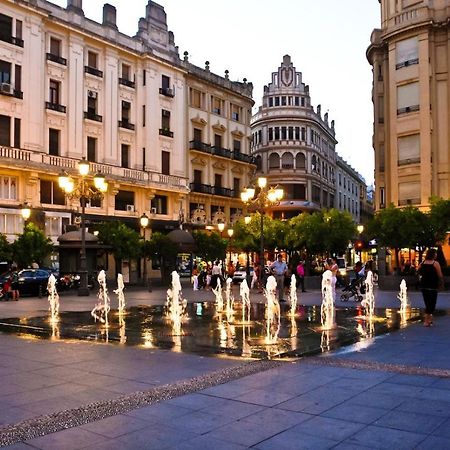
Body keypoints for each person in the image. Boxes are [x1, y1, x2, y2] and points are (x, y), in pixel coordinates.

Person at [417, 248, 444, 327]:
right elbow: (440, 275)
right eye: (435, 253)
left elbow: (418, 271)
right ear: (432, 254)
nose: (436, 255)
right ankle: (426, 320)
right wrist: (441, 284)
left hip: (424, 285)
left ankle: (429, 319)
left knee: (428, 302)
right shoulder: (435, 263)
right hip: (432, 286)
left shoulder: (422, 263)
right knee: (432, 303)